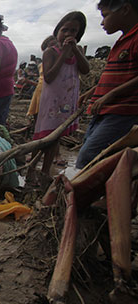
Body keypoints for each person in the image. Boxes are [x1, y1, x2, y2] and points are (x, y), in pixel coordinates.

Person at [76, 0, 138, 169]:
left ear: (125, 9)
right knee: (91, 150)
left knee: (89, 156)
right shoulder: (122, 41)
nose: (102, 22)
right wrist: (91, 93)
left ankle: (87, 193)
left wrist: (111, 95)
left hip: (122, 112)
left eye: (106, 16)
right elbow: (119, 76)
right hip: (105, 110)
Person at [33, 11, 90, 174]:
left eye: (73, 31)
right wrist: (64, 54)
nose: (68, 34)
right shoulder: (50, 52)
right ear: (57, 31)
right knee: (44, 136)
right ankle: (34, 170)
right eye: (64, 30)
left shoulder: (77, 50)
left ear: (78, 34)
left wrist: (76, 51)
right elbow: (49, 77)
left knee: (56, 136)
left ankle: (44, 171)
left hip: (67, 101)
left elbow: (85, 70)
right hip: (52, 101)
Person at [27, 36, 58, 120]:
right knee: (38, 112)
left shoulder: (59, 58)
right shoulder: (46, 58)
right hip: (40, 88)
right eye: (48, 46)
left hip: (49, 87)